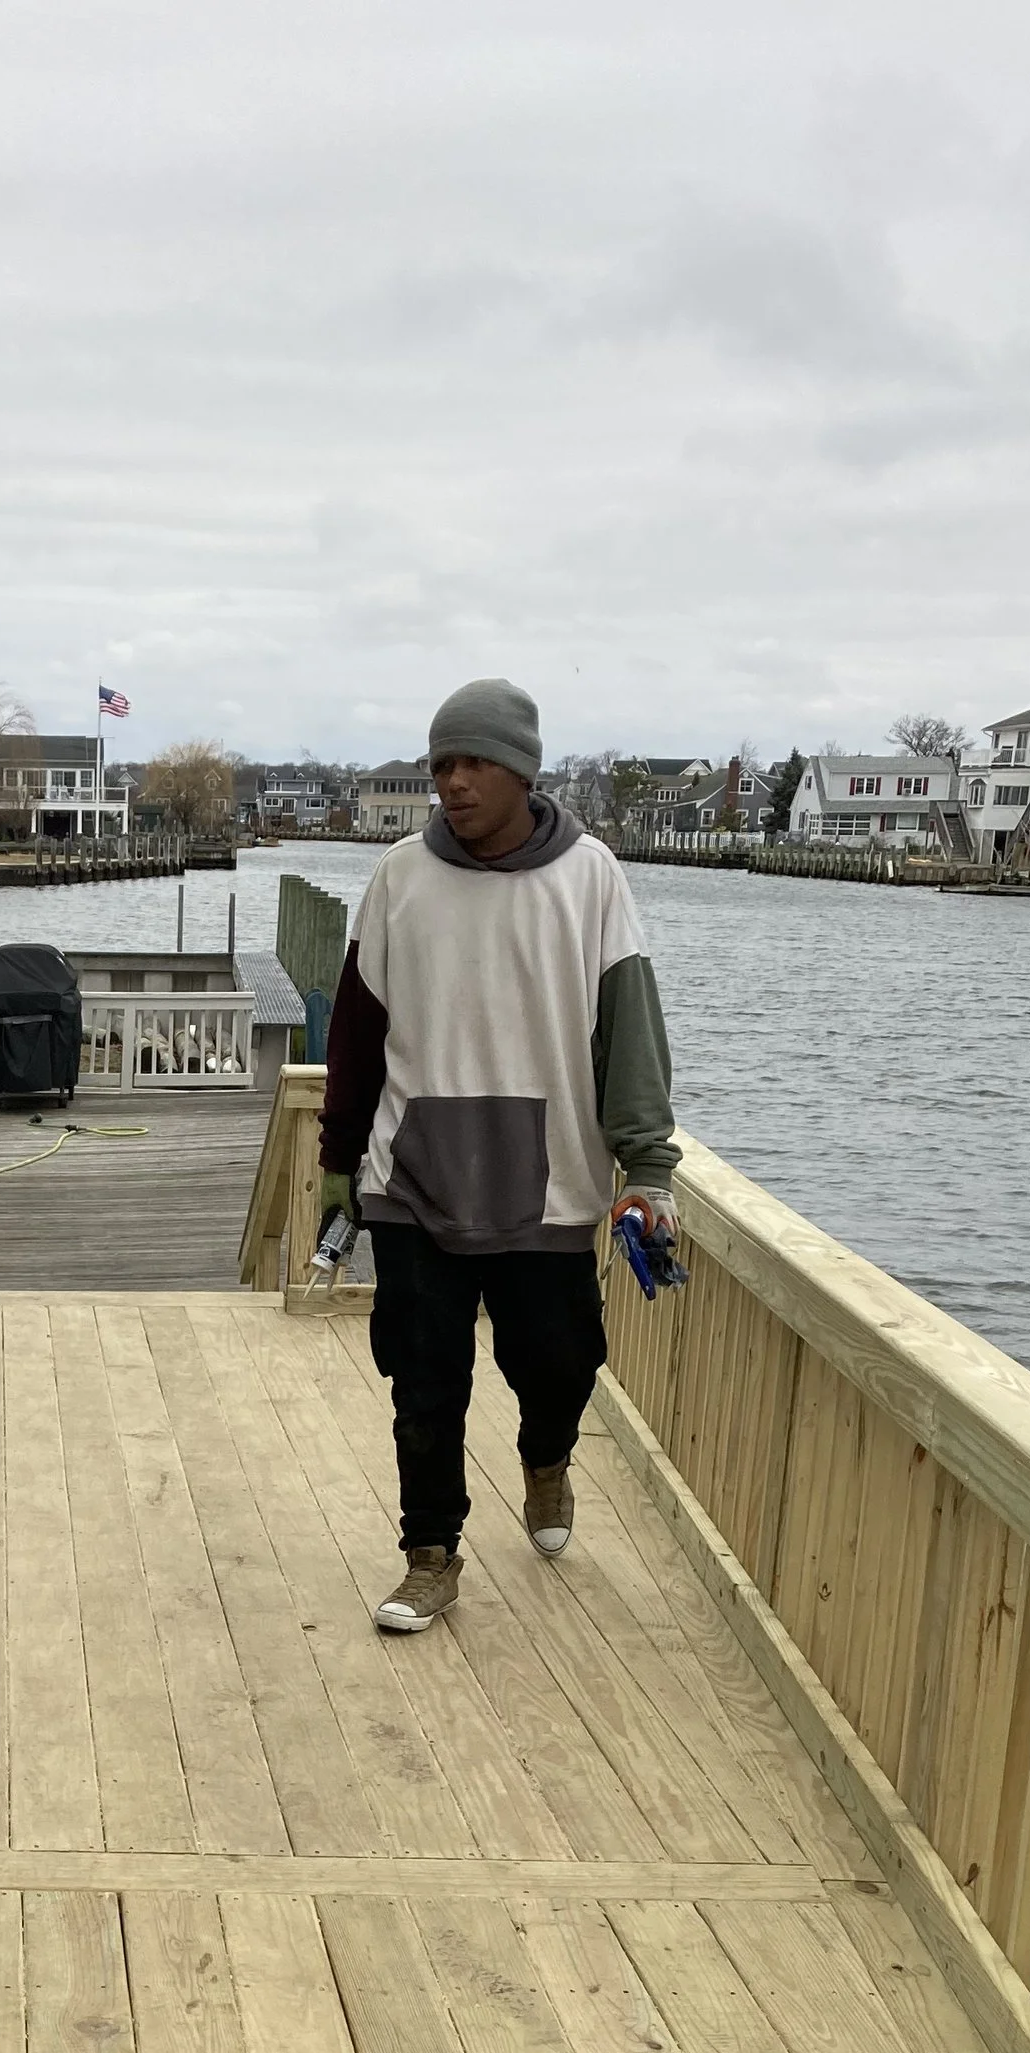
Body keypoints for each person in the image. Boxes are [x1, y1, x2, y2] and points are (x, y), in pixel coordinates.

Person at [319, 678, 680, 1633]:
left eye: (473, 762)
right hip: (416, 1177)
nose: (452, 781)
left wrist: (648, 1172)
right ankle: (430, 1554)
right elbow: (357, 1031)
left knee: (559, 1364)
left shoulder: (592, 876)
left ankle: (547, 1457)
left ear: (522, 769)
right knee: (423, 1380)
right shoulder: (399, 876)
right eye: (441, 764)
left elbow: (629, 1032)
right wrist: (337, 1164)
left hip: (551, 1181)